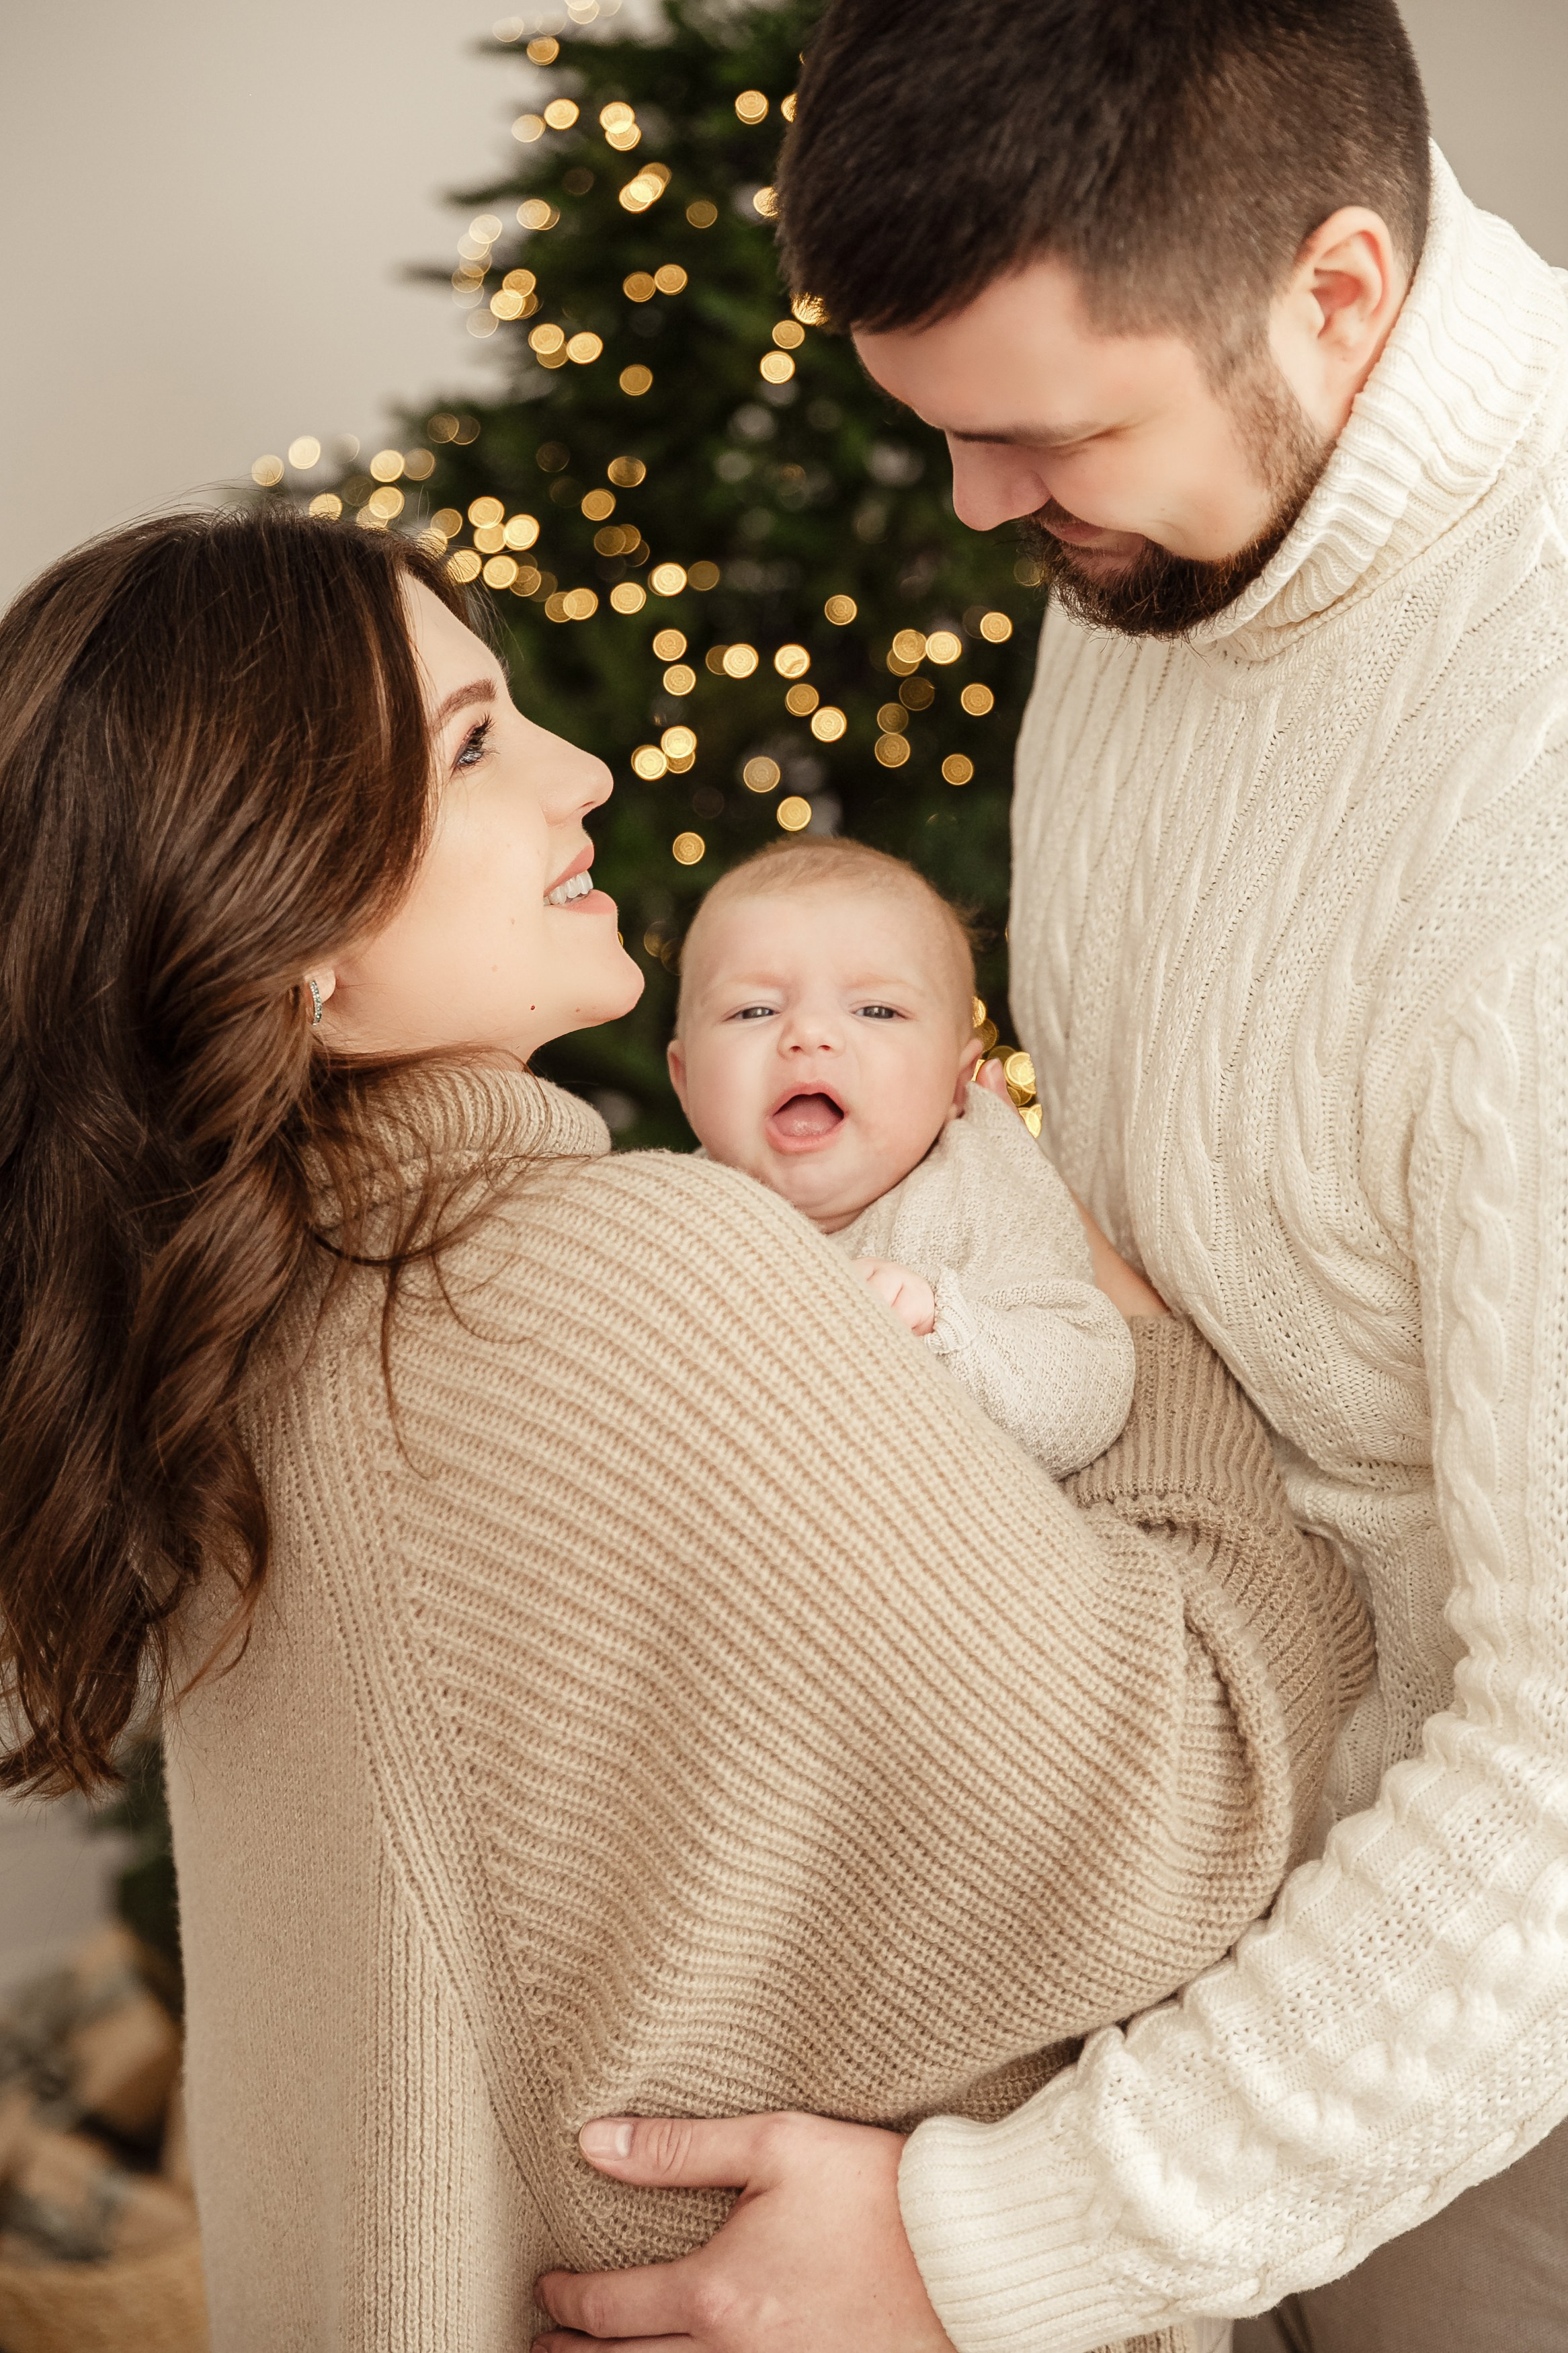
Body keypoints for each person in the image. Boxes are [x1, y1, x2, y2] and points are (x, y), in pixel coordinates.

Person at [0, 510, 1372, 2353]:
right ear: (291, 920)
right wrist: (1147, 1355)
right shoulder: (616, 1272)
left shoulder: (247, 1357)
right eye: (477, 742)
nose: (582, 771)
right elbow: (1187, 1802)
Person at [534, 3, 1568, 2350]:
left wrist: (995, 2242)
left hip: (1486, 2049)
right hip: (1195, 1896)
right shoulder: (1184, 522)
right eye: (948, 430)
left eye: (1042, 435)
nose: (985, 512)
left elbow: (1563, 1789)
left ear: (1332, 297)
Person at [669, 837, 1135, 1476]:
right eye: (755, 1009)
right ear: (685, 1078)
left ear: (957, 1082)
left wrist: (943, 1327)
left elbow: (1086, 1389)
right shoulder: (669, 1218)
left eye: (876, 1010)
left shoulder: (979, 1184)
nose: (808, 1036)